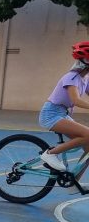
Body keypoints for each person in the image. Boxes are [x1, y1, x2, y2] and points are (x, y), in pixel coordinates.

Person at [38, 41, 89, 173]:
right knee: (88, 135)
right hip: (51, 115)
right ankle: (50, 154)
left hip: (62, 114)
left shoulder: (85, 79)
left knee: (88, 147)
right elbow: (76, 100)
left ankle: (74, 181)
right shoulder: (71, 77)